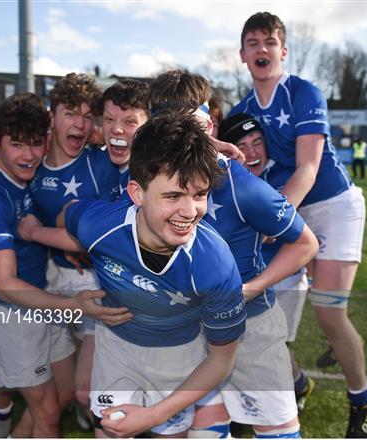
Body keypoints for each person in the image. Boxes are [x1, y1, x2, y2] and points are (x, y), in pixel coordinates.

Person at [149, 70, 318, 438]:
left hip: (250, 327)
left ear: (207, 123)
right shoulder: (147, 181)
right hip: (185, 330)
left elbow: (306, 243)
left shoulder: (240, 185)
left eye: (188, 125)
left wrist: (250, 288)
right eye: (167, 126)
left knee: (278, 432)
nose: (177, 138)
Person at [60, 112, 246, 438]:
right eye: (173, 196)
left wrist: (154, 415)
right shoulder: (99, 225)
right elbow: (68, 212)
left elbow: (221, 361)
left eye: (199, 194)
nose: (189, 211)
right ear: (137, 193)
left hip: (179, 356)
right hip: (116, 349)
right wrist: (66, 244)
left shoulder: (214, 263)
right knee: (111, 431)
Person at [234, 12, 367, 436]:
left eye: (269, 42)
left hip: (328, 205)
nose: (261, 49)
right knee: (261, 315)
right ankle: (297, 383)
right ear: (242, 54)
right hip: (283, 210)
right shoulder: (240, 111)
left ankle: (362, 401)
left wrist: (276, 215)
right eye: (252, 42)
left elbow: (308, 169)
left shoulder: (303, 93)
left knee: (329, 312)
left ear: (283, 50)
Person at [0, 93, 131, 437]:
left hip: (37, 299)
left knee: (67, 391)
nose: (28, 155)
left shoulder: (24, 175)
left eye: (35, 144)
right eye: (17, 145)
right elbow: (4, 283)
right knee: (48, 414)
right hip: (8, 309)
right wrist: (71, 304)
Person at [25, 72, 120, 434]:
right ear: (52, 116)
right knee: (53, 383)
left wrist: (39, 233)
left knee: (83, 387)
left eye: (86, 115)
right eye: (70, 113)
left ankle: (98, 415)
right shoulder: (30, 162)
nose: (79, 123)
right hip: (51, 281)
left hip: (96, 281)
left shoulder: (102, 161)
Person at [218, 112, 315, 412]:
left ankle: (287, 391)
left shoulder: (280, 181)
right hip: (239, 283)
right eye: (242, 145)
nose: (252, 152)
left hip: (279, 279)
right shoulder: (221, 182)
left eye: (257, 142)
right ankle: (295, 383)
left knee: (271, 344)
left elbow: (299, 238)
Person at [99, 78, 149, 197]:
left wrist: (76, 208)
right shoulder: (94, 160)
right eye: (109, 119)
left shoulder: (155, 174)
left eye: (130, 121)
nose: (116, 129)